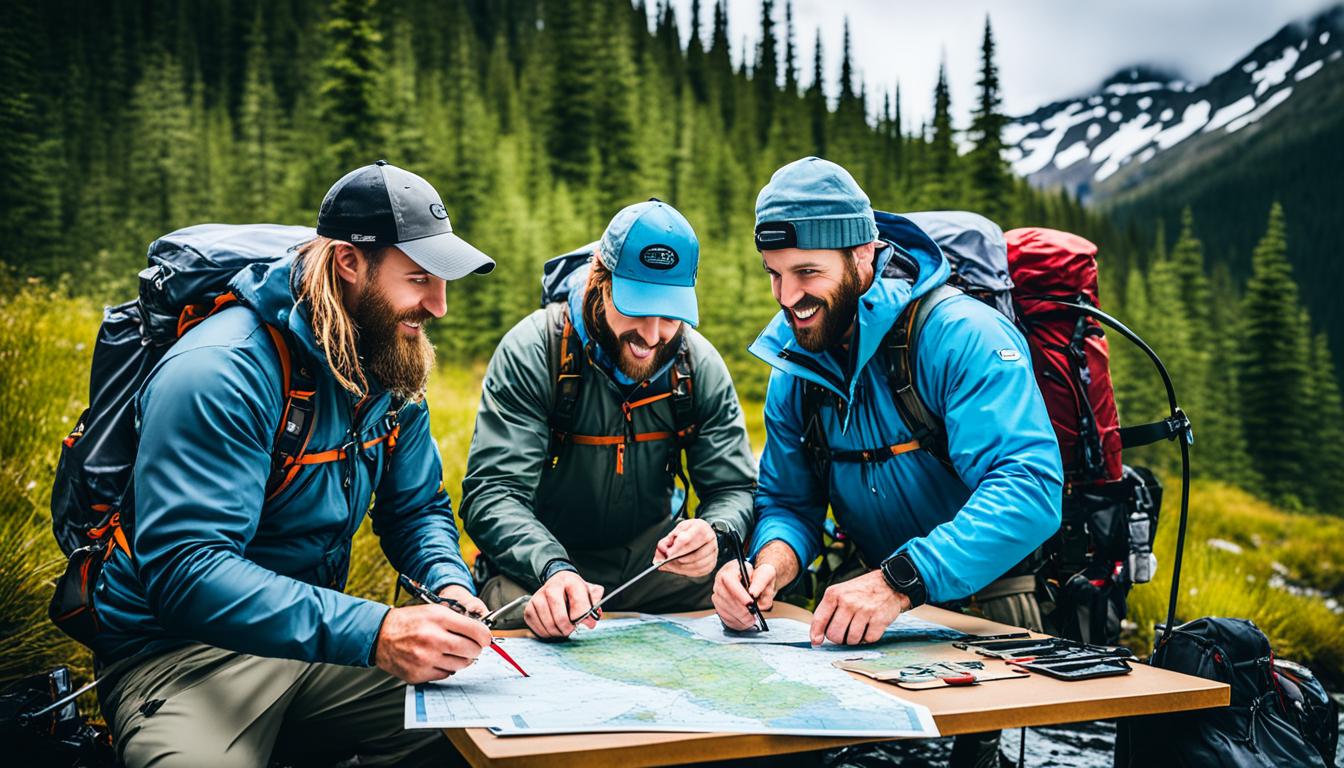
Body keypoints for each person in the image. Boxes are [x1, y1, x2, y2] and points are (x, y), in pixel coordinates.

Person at [92, 161, 496, 767]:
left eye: (443, 282)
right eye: (419, 279)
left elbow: (416, 510)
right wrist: (378, 632)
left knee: (496, 726)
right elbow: (186, 572)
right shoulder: (219, 370)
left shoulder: (388, 359)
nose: (438, 305)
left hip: (325, 646)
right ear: (348, 263)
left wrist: (448, 584)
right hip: (181, 658)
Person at [711, 157, 1063, 766]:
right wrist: (767, 565)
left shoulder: (961, 335)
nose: (788, 298)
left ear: (864, 256)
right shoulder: (797, 367)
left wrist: (898, 580)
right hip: (871, 604)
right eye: (774, 274)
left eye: (807, 273)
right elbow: (791, 503)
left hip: (987, 598)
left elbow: (1030, 489)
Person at [461, 200, 757, 639]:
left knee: (750, 590)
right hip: (541, 571)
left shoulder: (697, 365)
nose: (653, 335)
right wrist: (552, 567)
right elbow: (492, 493)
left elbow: (734, 488)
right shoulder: (535, 349)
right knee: (493, 617)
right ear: (600, 282)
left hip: (656, 571)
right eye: (638, 307)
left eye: (671, 315)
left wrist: (715, 534)